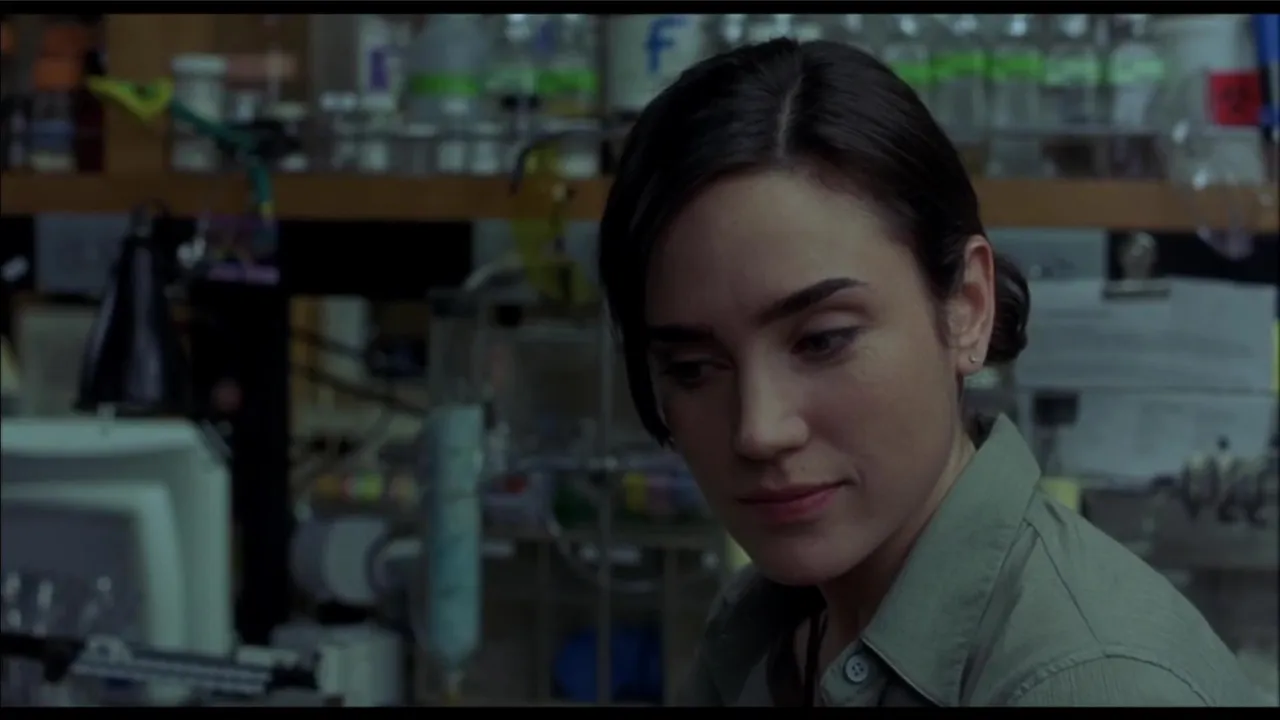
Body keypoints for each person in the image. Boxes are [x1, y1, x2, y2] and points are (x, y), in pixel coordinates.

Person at [597, 39, 1267, 708]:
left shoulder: (1091, 683)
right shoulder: (767, 626)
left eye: (823, 341)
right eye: (693, 368)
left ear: (968, 308)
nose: (758, 429)